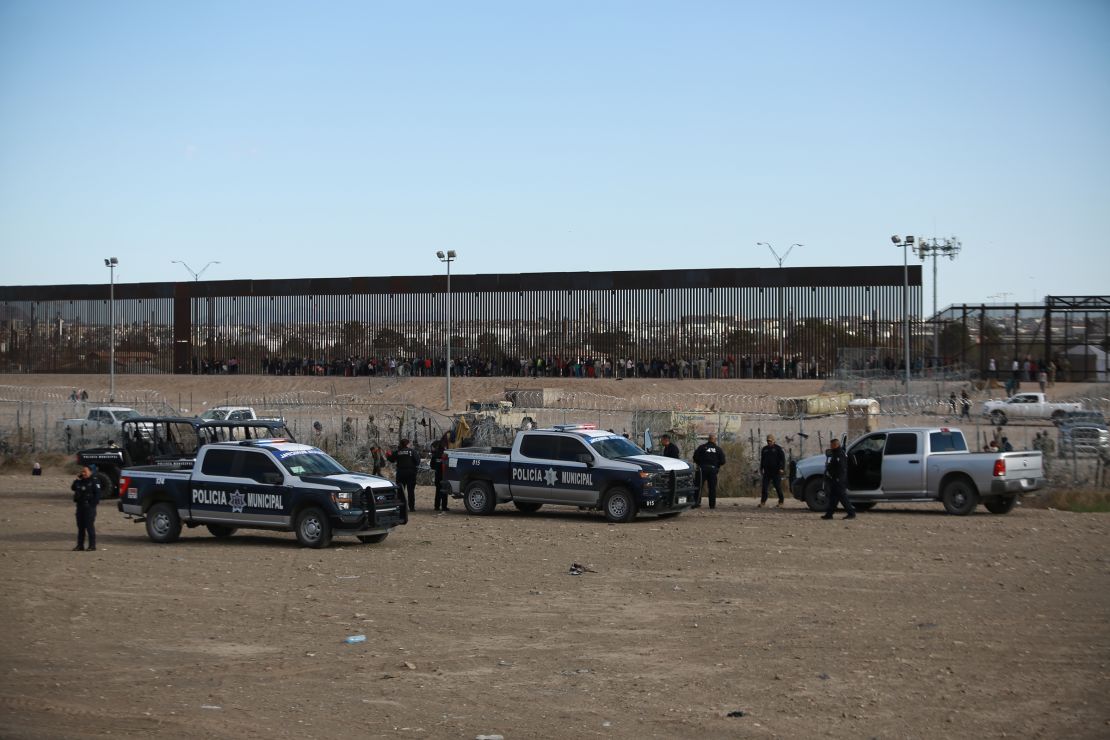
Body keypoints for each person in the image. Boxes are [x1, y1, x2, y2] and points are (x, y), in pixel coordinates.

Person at [821, 437, 855, 520]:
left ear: (835, 445)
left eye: (832, 445)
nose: (831, 446)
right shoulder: (836, 453)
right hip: (835, 479)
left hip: (839, 479)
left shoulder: (839, 454)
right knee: (833, 497)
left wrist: (838, 478)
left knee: (842, 496)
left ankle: (851, 513)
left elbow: (841, 468)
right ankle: (829, 514)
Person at [692, 433, 726, 509]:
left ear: (708, 439)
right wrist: (716, 466)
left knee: (698, 486)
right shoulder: (718, 449)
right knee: (712, 488)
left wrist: (700, 463)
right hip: (712, 470)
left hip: (702, 469)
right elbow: (723, 461)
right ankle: (712, 505)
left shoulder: (701, 447)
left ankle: (696, 503)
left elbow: (695, 457)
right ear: (714, 440)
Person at [71, 466, 101, 550]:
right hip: (80, 506)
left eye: (85, 472)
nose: (83, 473)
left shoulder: (94, 481)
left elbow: (98, 495)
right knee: (80, 527)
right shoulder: (80, 481)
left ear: (90, 472)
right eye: (82, 472)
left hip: (89, 507)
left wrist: (92, 505)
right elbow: (73, 488)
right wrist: (77, 479)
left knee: (89, 526)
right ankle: (80, 545)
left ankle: (92, 545)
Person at [387, 439, 420, 512]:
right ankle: (411, 507)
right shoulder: (412, 451)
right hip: (411, 473)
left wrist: (388, 455)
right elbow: (417, 462)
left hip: (400, 473)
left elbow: (391, 459)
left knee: (400, 491)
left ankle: (401, 507)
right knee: (411, 491)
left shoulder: (398, 452)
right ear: (407, 444)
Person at [758, 434, 787, 508]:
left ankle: (781, 501)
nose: (769, 442)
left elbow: (783, 459)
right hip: (767, 471)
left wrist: (782, 468)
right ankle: (763, 502)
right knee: (764, 487)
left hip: (776, 471)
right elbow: (762, 460)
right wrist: (761, 468)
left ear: (773, 441)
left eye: (770, 441)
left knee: (777, 487)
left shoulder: (778, 449)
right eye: (768, 441)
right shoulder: (764, 449)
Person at [430, 433, 450, 512]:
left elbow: (432, 465)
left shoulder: (435, 455)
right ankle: (444, 507)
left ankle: (436, 506)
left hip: (437, 474)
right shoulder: (446, 455)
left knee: (438, 491)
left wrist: (436, 468)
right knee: (444, 491)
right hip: (444, 475)